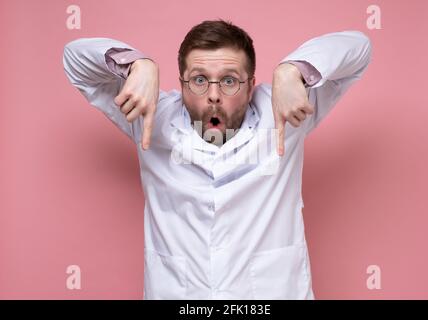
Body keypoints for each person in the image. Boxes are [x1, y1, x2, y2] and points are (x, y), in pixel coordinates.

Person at [63, 19, 372, 299]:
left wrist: (291, 71)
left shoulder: (286, 113)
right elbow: (74, 58)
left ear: (251, 86)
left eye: (229, 80)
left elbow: (359, 48)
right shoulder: (151, 117)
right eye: (199, 79)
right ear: (182, 84)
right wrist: (138, 66)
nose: (213, 94)